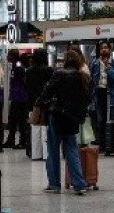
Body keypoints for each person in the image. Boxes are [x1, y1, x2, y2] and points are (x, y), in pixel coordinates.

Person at [35, 50, 90, 195]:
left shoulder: (59, 74)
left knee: (53, 150)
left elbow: (47, 92)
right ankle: (79, 184)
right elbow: (87, 98)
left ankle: (54, 184)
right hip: (73, 118)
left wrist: (40, 104)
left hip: (57, 116)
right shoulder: (83, 77)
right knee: (72, 149)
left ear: (66, 60)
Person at [90, 41, 114, 145]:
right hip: (99, 93)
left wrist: (108, 67)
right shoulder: (95, 63)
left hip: (111, 94)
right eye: (102, 48)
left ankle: (112, 144)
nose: (104, 50)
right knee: (99, 119)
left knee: (112, 119)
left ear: (110, 50)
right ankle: (102, 143)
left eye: (106, 48)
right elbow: (91, 79)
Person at [25, 49, 54, 159]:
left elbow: (26, 86)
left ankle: (35, 154)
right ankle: (47, 153)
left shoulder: (29, 71)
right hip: (46, 103)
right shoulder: (50, 71)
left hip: (33, 102)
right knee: (46, 128)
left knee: (34, 128)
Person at [3, 50, 29, 150]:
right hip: (15, 97)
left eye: (8, 55)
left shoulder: (18, 67)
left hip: (21, 98)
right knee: (12, 120)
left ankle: (23, 141)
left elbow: (24, 81)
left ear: (12, 56)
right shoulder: (13, 67)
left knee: (21, 121)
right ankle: (11, 140)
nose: (7, 57)